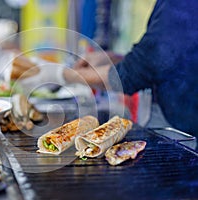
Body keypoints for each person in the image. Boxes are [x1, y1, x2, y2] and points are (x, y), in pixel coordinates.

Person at [72, 0, 198, 136]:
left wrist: (66, 74)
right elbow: (161, 57)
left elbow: (129, 76)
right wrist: (116, 58)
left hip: (184, 127)